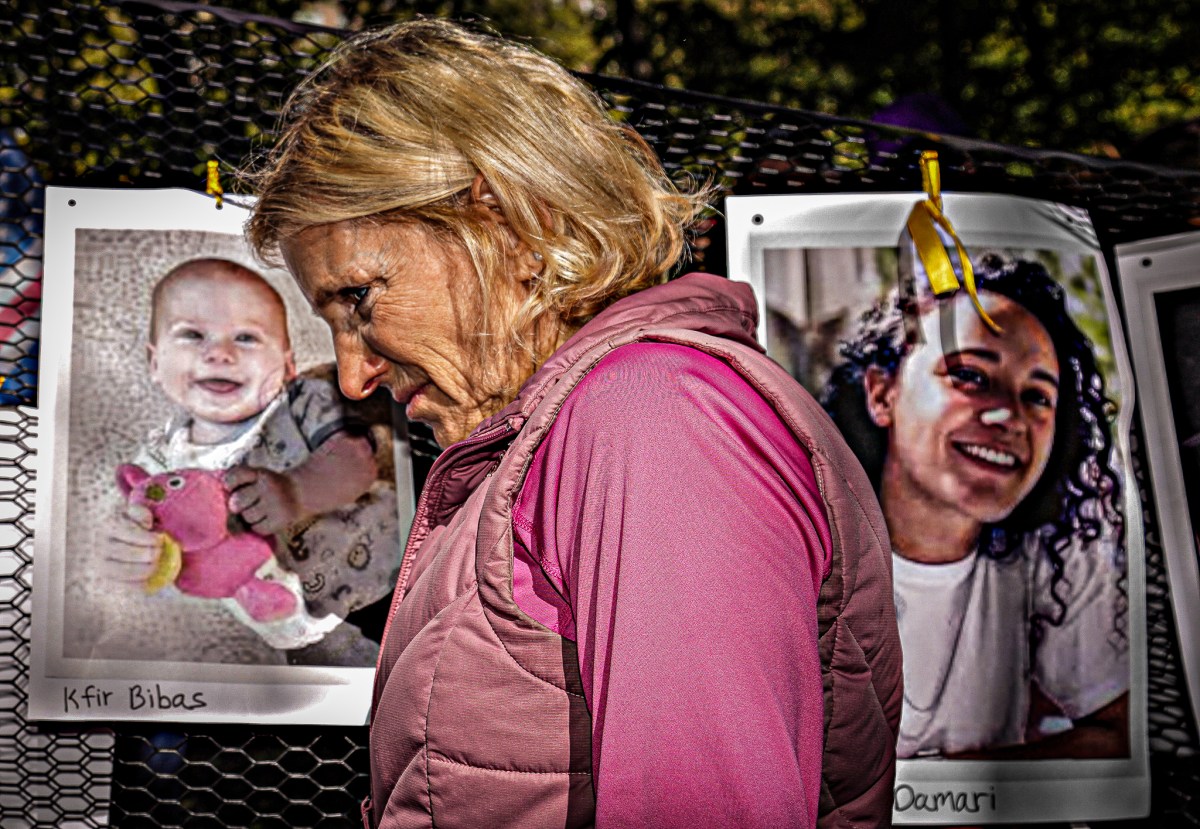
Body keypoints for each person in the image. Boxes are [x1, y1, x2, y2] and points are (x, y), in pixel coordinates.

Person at [243, 19, 901, 829]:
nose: (353, 375)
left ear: (508, 222)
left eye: (360, 300)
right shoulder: (579, 426)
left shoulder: (652, 417)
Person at [822, 253, 1129, 759]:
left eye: (1037, 396)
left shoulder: (1056, 557)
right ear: (882, 393)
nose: (1010, 414)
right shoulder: (807, 555)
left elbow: (1115, 738)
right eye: (970, 375)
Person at [110, 257, 399, 664]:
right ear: (155, 364)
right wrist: (136, 552)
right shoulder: (156, 466)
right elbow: (143, 530)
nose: (219, 354)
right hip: (288, 626)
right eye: (192, 334)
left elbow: (354, 460)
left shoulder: (302, 401)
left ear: (287, 365)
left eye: (246, 338)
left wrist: (296, 490)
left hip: (384, 574)